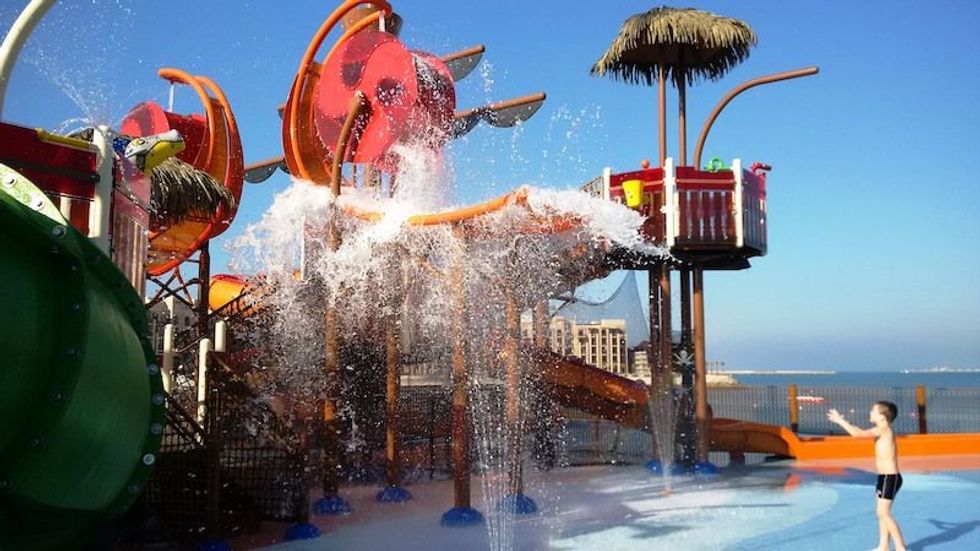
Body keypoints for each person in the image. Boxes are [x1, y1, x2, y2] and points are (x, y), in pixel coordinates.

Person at [827, 402, 907, 551]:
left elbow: (857, 434)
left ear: (882, 417)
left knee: (883, 513)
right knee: (882, 514)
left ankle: (901, 547)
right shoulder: (880, 430)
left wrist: (840, 420)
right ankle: (883, 546)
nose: (870, 413)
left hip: (890, 478)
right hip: (884, 478)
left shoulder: (883, 430)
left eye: (873, 411)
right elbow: (859, 430)